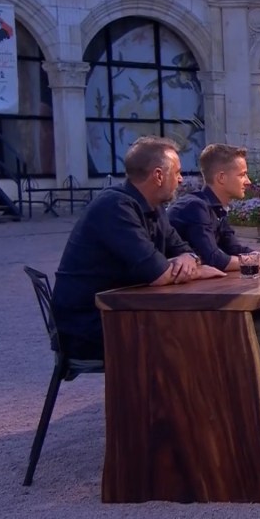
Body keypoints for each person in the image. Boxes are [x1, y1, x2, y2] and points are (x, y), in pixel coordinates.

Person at [52, 136, 227, 363]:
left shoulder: (155, 208)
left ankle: (197, 386)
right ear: (158, 176)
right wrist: (195, 270)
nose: (181, 179)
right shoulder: (115, 207)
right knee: (195, 332)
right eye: (177, 172)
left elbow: (184, 250)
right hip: (90, 326)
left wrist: (189, 258)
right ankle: (184, 387)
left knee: (212, 325)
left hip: (124, 311)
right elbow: (158, 274)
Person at [167, 143, 260, 354]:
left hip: (200, 295)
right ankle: (229, 372)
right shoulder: (195, 206)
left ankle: (230, 372)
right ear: (221, 178)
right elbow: (215, 259)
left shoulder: (216, 207)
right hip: (179, 306)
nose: (248, 181)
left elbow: (233, 247)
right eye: (242, 175)